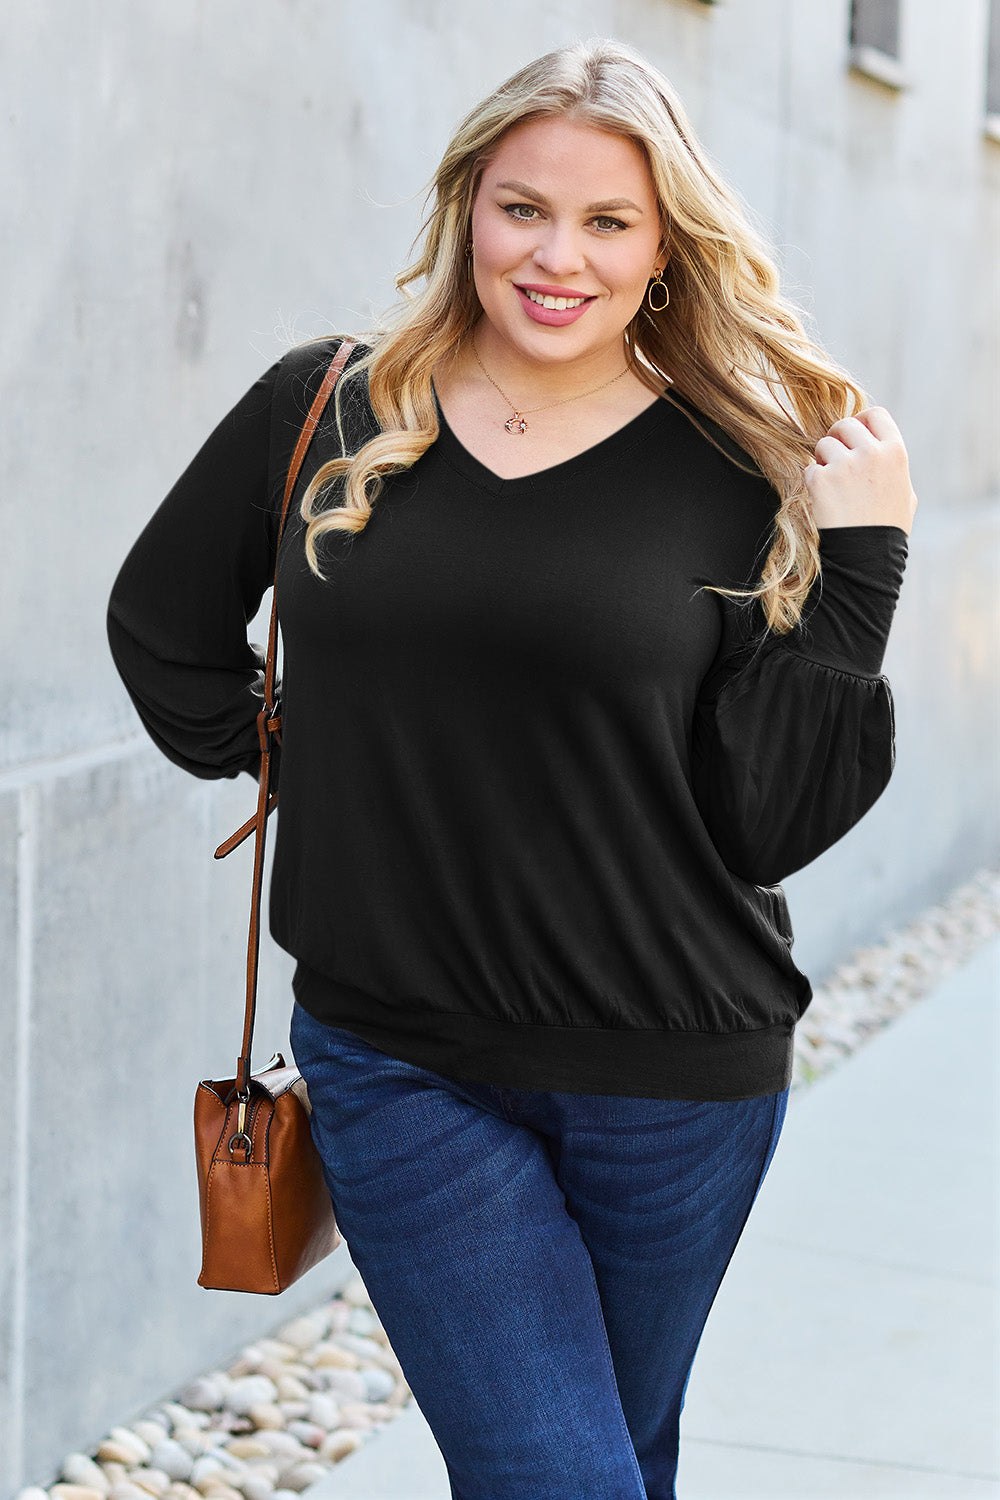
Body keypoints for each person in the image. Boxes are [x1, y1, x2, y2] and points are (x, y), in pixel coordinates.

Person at [107, 37, 916, 1500]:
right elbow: (162, 623)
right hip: (399, 1062)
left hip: (677, 1073)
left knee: (617, 1457)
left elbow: (770, 817)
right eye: (521, 208)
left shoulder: (741, 466)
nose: (559, 257)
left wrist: (862, 568)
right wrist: (296, 763)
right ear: (465, 205)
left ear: (668, 245)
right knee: (562, 1480)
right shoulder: (329, 407)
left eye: (610, 221)